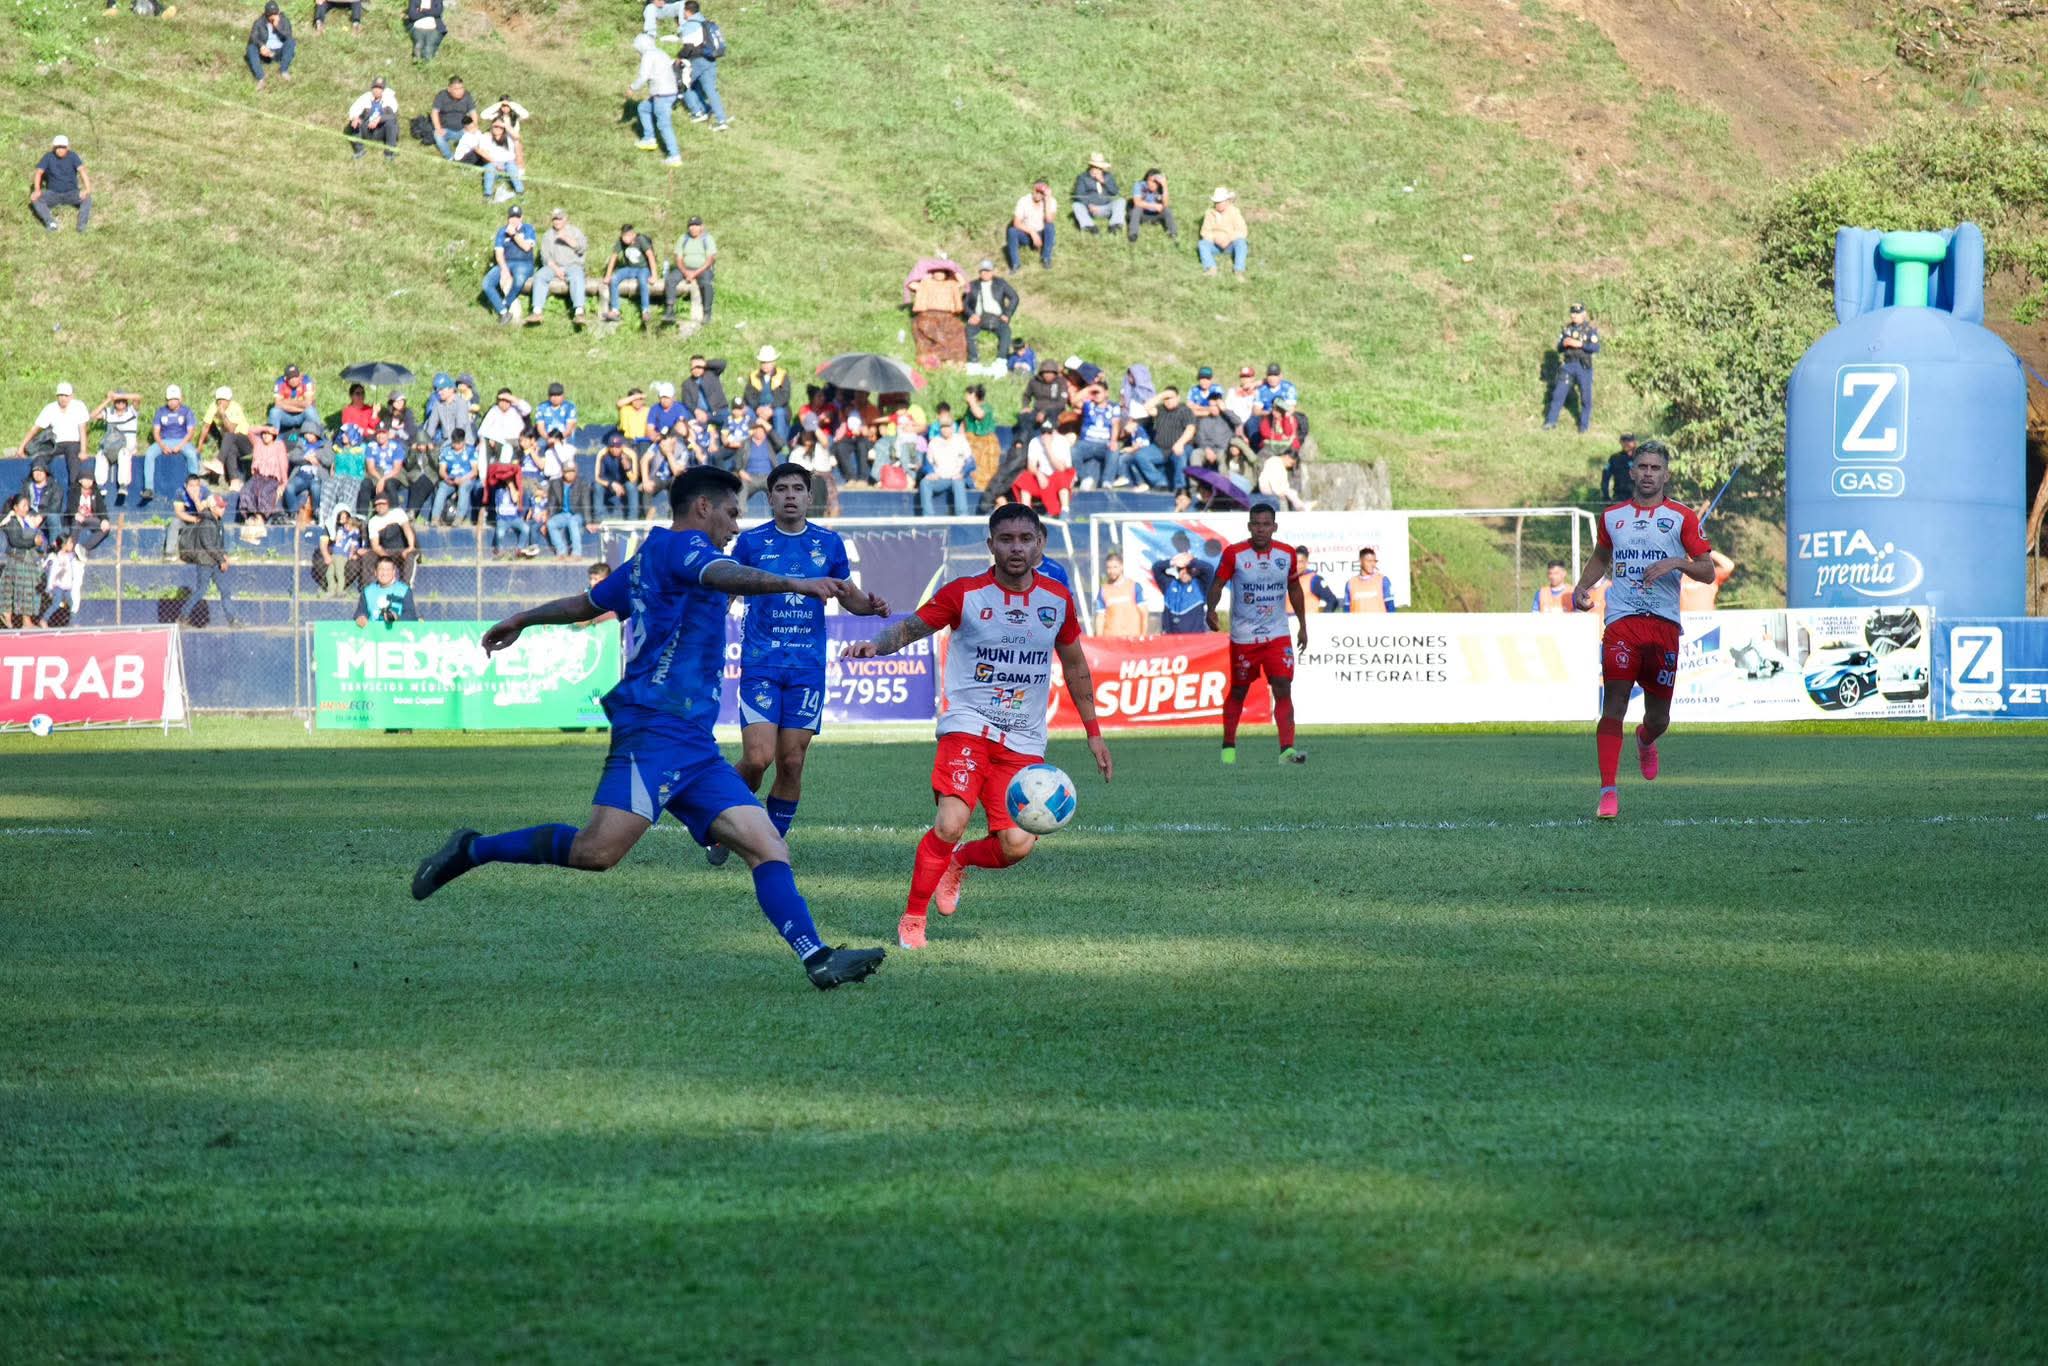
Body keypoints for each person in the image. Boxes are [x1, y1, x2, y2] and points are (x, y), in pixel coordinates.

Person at [409, 465, 891, 993]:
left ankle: (818, 958)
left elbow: (586, 603)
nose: (736, 526)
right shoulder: (685, 548)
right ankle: (472, 849)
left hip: (693, 744)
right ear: (703, 508)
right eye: (731, 513)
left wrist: (522, 618)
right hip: (654, 731)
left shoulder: (646, 559)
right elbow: (725, 575)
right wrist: (795, 583)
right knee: (597, 853)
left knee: (767, 845)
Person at [841, 503, 1110, 952]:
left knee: (1017, 844)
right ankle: (913, 918)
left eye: (1025, 539)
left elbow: (1076, 665)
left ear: (1040, 544)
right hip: (969, 726)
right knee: (950, 823)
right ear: (991, 545)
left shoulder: (1057, 600)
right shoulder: (965, 593)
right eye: (1006, 540)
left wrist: (1094, 732)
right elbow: (910, 629)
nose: (1016, 548)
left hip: (1024, 738)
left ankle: (958, 862)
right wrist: (876, 645)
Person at [1570, 439, 1715, 819]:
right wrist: (1582, 587)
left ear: (1666, 475)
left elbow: (1707, 570)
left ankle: (1646, 739)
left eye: (1656, 468)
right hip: (1622, 620)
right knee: (1614, 703)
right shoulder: (1612, 517)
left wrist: (1676, 563)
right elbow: (1601, 556)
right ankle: (1608, 791)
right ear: (1632, 472)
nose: (1649, 473)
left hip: (1663, 625)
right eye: (1643, 467)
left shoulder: (1682, 517)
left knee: (1658, 718)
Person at [727, 463, 850, 844]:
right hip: (761, 664)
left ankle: (769, 843)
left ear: (810, 497)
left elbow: (850, 595)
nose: (790, 495)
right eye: (782, 489)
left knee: (792, 761)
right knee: (757, 758)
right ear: (770, 498)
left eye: (798, 488)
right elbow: (727, 589)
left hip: (807, 668)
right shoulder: (750, 543)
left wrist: (872, 606)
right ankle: (720, 819)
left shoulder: (829, 543)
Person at [1207, 503, 1308, 764]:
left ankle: (1287, 749)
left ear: (1274, 527)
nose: (1261, 529)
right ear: (1249, 526)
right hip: (1244, 636)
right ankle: (1228, 747)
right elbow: (1217, 583)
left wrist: (1303, 625)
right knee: (1239, 690)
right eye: (1256, 524)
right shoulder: (1235, 554)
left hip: (1277, 633)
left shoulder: (1286, 554)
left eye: (1266, 524)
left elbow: (1294, 589)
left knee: (1283, 685)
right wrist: (1211, 610)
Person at [19, 382, 92, 489]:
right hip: (55, 443)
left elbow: (82, 429)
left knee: (73, 462)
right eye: (61, 395)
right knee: (40, 459)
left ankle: (74, 489)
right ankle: (32, 487)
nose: (63, 398)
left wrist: (83, 450)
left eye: (66, 396)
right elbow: (35, 429)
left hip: (73, 442)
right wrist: (21, 447)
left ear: (71, 396)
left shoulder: (79, 406)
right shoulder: (50, 408)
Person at [179, 493, 238, 626]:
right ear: (212, 508)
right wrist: (221, 559)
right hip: (205, 562)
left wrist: (224, 555)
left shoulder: (218, 521)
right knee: (201, 591)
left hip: (216, 562)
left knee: (225, 591)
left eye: (223, 506)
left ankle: (233, 620)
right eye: (220, 507)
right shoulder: (206, 522)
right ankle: (183, 615)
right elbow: (208, 545)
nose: (223, 509)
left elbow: (219, 543)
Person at [527, 208, 589, 326]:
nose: (557, 221)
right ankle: (537, 311)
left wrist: (566, 238)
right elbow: (545, 257)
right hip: (553, 266)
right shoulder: (548, 235)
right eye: (555, 219)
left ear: (565, 219)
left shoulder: (575, 232)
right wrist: (556, 269)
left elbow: (582, 247)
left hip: (573, 265)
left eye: (560, 219)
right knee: (539, 276)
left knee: (577, 277)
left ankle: (579, 312)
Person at [1545, 302, 1600, 433]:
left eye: (1577, 313)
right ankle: (1550, 422)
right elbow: (1559, 348)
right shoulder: (1567, 329)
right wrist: (1564, 344)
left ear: (1583, 314)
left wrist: (1580, 344)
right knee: (1558, 393)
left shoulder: (1589, 330)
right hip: (1568, 365)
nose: (1574, 315)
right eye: (1572, 313)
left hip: (1583, 366)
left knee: (1585, 398)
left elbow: (1595, 347)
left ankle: (1583, 426)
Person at [629, 33, 683, 164]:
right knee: (643, 108)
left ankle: (674, 156)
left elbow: (643, 76)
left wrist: (632, 88)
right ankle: (649, 139)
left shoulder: (648, 55)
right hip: (671, 92)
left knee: (664, 125)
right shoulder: (661, 53)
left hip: (661, 94)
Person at [139, 384, 198, 506]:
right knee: (150, 454)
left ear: (180, 399)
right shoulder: (161, 411)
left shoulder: (186, 411)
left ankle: (195, 486)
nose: (171, 402)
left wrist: (180, 446)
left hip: (182, 440)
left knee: (192, 454)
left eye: (174, 399)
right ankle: (149, 488)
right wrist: (162, 445)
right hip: (164, 440)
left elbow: (191, 432)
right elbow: (156, 432)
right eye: (169, 399)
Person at [676, 0, 730, 132]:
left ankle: (698, 112)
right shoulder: (705, 22)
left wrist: (679, 57)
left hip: (697, 60)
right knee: (711, 91)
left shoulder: (690, 25)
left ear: (687, 11)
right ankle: (721, 120)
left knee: (684, 84)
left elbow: (688, 47)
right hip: (711, 59)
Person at [961, 260, 1019, 375]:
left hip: (997, 317)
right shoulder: (972, 285)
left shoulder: (1001, 283)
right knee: (969, 330)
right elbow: (964, 303)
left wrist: (1007, 314)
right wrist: (971, 315)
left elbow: (1014, 297)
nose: (985, 273)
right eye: (982, 271)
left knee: (1006, 332)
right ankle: (973, 359)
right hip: (979, 317)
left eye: (987, 271)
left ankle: (1001, 359)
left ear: (992, 272)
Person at [484, 204, 537, 324]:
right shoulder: (502, 232)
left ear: (521, 218)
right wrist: (504, 268)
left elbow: (527, 247)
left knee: (518, 280)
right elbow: (499, 253)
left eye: (517, 217)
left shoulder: (528, 229)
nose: (514, 220)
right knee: (487, 283)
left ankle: (505, 304)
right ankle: (503, 312)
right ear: (508, 218)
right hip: (506, 262)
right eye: (512, 217)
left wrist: (513, 235)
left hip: (524, 263)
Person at [29, 135, 91, 233]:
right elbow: (38, 173)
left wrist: (87, 189)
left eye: (63, 147)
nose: (60, 149)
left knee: (87, 198)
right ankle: (51, 223)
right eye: (58, 147)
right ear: (54, 147)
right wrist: (37, 190)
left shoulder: (73, 156)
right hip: (53, 194)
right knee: (34, 198)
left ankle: (81, 226)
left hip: (72, 193)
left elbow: (82, 171)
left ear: (67, 147)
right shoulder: (48, 157)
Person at [1012, 423, 1074, 518]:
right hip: (1042, 475)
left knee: (1062, 477)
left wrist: (1048, 448)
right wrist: (1038, 474)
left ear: (1054, 432)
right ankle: (1025, 511)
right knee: (1024, 478)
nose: (1045, 435)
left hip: (1058, 475)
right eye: (1043, 432)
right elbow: (1031, 465)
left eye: (1049, 432)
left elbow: (1061, 468)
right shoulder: (1035, 441)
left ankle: (1065, 510)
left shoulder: (1062, 442)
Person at [601, 223, 658, 326]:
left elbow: (650, 256)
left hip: (643, 268)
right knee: (614, 278)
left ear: (633, 234)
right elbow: (613, 257)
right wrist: (608, 275)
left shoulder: (641, 240)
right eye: (623, 236)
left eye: (627, 236)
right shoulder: (620, 241)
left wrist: (654, 275)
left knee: (642, 281)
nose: (624, 239)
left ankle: (645, 310)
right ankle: (615, 310)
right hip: (629, 268)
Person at [90, 389, 142, 500]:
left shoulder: (131, 411)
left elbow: (138, 397)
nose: (120, 403)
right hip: (112, 444)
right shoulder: (110, 412)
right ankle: (100, 485)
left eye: (122, 400)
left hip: (127, 445)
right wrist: (108, 399)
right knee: (100, 455)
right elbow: (93, 415)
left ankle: (123, 485)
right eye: (118, 401)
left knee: (124, 454)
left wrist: (119, 395)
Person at [1, 495, 44, 628]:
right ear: (15, 507)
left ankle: (25, 621)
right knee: (17, 590)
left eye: (27, 506)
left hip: (26, 560)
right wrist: (33, 542)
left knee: (26, 590)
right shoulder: (11, 521)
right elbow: (16, 541)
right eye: (23, 505)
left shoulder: (25, 520)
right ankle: (9, 616)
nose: (26, 508)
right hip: (17, 560)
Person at [921, 412, 972, 517]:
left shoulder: (961, 440)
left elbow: (971, 462)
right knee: (924, 483)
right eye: (943, 427)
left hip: (957, 476)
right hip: (940, 477)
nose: (945, 429)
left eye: (948, 426)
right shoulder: (934, 442)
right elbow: (927, 463)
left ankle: (962, 515)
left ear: (952, 427)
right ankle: (928, 516)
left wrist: (962, 473)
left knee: (958, 482)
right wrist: (930, 472)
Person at [201, 386, 253, 485]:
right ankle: (234, 481)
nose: (220, 403)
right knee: (230, 448)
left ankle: (218, 462)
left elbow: (231, 429)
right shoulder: (213, 406)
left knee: (229, 435)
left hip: (245, 441)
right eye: (219, 400)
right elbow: (206, 426)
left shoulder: (235, 407)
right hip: (231, 442)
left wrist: (223, 414)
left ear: (229, 401)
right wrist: (200, 445)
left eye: (223, 400)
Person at [741, 346, 792, 443]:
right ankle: (746, 443)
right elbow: (749, 396)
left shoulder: (782, 375)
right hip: (758, 407)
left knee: (779, 413)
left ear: (774, 362)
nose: (765, 365)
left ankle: (780, 443)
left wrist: (771, 408)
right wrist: (757, 408)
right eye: (763, 362)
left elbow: (785, 396)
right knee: (747, 411)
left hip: (775, 407)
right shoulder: (753, 376)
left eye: (768, 362)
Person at [1095, 552, 1152, 638]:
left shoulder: (1134, 586)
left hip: (1132, 639)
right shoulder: (1104, 590)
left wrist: (1143, 636)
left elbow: (1144, 613)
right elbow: (1100, 617)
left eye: (1115, 567)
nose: (1112, 571)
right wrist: (1099, 639)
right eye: (1109, 568)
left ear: (1121, 567)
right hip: (1111, 639)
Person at [546, 461, 597, 557]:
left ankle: (576, 553)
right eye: (567, 471)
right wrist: (548, 518)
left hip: (578, 514)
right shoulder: (555, 483)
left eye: (572, 471)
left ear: (576, 471)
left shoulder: (582, 483)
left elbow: (586, 503)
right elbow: (552, 504)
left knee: (573, 521)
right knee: (551, 523)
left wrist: (588, 522)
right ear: (562, 472)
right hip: (564, 514)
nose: (569, 474)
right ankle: (561, 552)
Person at [467, 119, 525, 203]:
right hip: (492, 164)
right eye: (495, 126)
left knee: (511, 166)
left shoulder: (509, 138)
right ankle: (488, 195)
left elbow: (517, 138)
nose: (498, 128)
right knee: (489, 168)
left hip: (508, 164)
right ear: (491, 126)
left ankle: (520, 192)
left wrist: (507, 126)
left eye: (501, 127)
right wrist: (495, 163)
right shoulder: (485, 137)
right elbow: (484, 155)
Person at [1198, 186, 1249, 280]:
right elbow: (1205, 231)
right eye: (1216, 202)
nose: (1218, 204)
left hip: (1231, 244)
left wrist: (1229, 238)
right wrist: (1214, 238)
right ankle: (1211, 268)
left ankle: (1239, 270)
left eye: (1220, 202)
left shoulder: (1234, 212)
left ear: (1227, 201)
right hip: (1215, 245)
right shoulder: (1209, 213)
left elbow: (1242, 230)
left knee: (1241, 243)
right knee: (1202, 244)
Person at [1005, 180, 1057, 272]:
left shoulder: (1051, 201)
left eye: (1041, 192)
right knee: (1012, 231)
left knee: (1050, 226)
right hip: (1027, 234)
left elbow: (1049, 220)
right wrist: (1032, 232)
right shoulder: (1024, 200)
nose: (1038, 194)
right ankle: (1015, 264)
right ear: (1033, 189)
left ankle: (1046, 258)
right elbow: (1016, 223)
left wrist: (1047, 201)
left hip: (1042, 234)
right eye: (1037, 191)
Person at [354, 555, 420, 626]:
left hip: (398, 631)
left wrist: (397, 617)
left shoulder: (404, 590)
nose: (384, 573)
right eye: (381, 569)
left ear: (394, 572)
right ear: (375, 572)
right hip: (373, 631)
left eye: (388, 569)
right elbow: (361, 611)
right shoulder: (367, 591)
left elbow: (411, 615)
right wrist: (361, 617)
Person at [346, 76, 398, 160]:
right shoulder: (365, 98)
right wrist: (355, 118)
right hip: (367, 129)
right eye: (375, 87)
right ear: (372, 88)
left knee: (391, 123)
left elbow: (393, 116)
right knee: (354, 123)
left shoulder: (389, 99)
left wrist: (380, 119)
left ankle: (389, 153)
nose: (377, 90)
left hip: (382, 131)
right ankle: (359, 151)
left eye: (380, 88)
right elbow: (353, 110)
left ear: (383, 90)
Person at [1071, 153, 1124, 234]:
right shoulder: (1083, 178)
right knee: (1076, 205)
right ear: (1091, 167)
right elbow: (1079, 195)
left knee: (1121, 201)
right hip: (1090, 208)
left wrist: (1104, 182)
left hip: (1106, 207)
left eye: (1100, 168)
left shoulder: (1108, 176)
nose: (1098, 170)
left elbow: (1115, 192)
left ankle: (1115, 225)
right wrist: (1089, 205)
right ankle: (1089, 226)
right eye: (1095, 167)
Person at [269, 364, 323, 442]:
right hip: (286, 416)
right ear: (286, 378)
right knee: (274, 411)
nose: (294, 380)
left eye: (296, 376)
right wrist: (301, 406)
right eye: (291, 378)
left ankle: (318, 436)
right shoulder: (280, 382)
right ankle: (273, 440)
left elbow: (308, 403)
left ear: (300, 376)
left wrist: (285, 402)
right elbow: (278, 404)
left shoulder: (306, 380)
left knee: (310, 411)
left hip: (302, 416)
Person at [246, 2, 295, 88]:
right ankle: (261, 77)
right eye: (270, 14)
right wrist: (261, 46)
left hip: (279, 51)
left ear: (278, 12)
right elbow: (253, 37)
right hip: (266, 52)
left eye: (275, 13)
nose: (273, 16)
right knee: (251, 48)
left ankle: (283, 70)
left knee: (291, 42)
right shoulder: (259, 22)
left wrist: (278, 26)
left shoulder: (284, 20)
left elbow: (289, 35)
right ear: (266, 14)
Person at [367, 492, 417, 575]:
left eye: (383, 503)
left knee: (409, 557)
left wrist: (410, 547)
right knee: (368, 557)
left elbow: (407, 530)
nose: (380, 506)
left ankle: (406, 583)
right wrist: (387, 558)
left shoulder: (398, 513)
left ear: (388, 504)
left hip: (403, 549)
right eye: (377, 504)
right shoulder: (373, 521)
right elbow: (375, 546)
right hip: (386, 551)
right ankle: (371, 583)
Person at [320, 509, 367, 594]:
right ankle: (331, 590)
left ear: (354, 527)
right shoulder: (342, 530)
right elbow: (335, 538)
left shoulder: (354, 535)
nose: (346, 525)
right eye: (346, 524)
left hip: (342, 556)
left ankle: (340, 591)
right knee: (329, 574)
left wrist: (352, 554)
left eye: (349, 525)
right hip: (334, 555)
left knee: (339, 573)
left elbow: (353, 546)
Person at [1679, 549, 1736, 614]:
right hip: (1683, 619)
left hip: (1707, 619)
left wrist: (1707, 550)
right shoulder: (1678, 575)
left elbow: (1729, 566)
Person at [430, 75, 474, 159]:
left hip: (463, 129)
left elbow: (473, 112)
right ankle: (450, 157)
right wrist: (438, 128)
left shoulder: (467, 96)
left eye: (461, 88)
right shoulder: (442, 96)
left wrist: (474, 126)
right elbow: (434, 112)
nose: (460, 91)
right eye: (456, 89)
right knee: (437, 135)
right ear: (449, 89)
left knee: (476, 134)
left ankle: (466, 157)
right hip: (446, 130)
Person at [1128, 168, 1175, 244]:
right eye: (1151, 181)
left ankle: (1173, 233)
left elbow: (1165, 205)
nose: (1153, 184)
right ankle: (1133, 234)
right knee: (1136, 209)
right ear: (1146, 180)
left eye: (1156, 182)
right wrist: (1154, 206)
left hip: (1156, 215)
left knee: (1167, 210)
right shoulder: (1139, 185)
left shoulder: (1161, 188)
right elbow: (1137, 202)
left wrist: (1165, 186)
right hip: (1142, 215)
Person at [678, 352, 728, 421]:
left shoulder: (712, 374)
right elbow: (687, 402)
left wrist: (705, 363)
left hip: (719, 411)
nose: (696, 370)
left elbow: (722, 364)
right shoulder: (687, 384)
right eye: (693, 367)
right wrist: (696, 410)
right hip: (700, 414)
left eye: (698, 367)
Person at [1600, 433, 1638, 502]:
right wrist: (1606, 497)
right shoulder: (1614, 458)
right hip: (1619, 497)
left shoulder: (1641, 458)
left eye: (1629, 440)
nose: (1626, 443)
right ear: (1620, 442)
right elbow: (1605, 478)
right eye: (1623, 441)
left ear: (1634, 442)